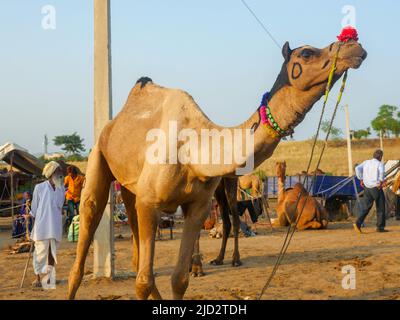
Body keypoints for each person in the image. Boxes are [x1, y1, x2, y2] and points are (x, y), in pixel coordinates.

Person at [28, 161, 65, 289]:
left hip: (55, 225)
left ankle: (49, 278)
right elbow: (34, 209)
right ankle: (37, 278)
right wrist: (32, 228)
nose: (60, 174)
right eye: (57, 171)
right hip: (42, 226)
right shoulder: (40, 188)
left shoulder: (61, 188)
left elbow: (60, 205)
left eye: (60, 171)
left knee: (52, 252)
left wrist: (60, 188)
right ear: (51, 173)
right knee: (40, 252)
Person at [354, 150, 388, 233]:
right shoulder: (379, 164)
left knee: (366, 207)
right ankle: (380, 227)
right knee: (380, 206)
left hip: (367, 188)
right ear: (380, 157)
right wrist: (380, 182)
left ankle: (358, 223)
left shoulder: (366, 162)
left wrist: (361, 178)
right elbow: (381, 173)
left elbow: (357, 168)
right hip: (376, 187)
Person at [64, 166, 85, 230]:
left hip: (78, 198)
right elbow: (64, 185)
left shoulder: (80, 178)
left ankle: (80, 227)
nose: (69, 174)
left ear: (73, 173)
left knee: (80, 213)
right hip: (70, 198)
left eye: (70, 173)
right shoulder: (67, 178)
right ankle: (71, 227)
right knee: (72, 213)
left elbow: (83, 186)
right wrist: (66, 191)